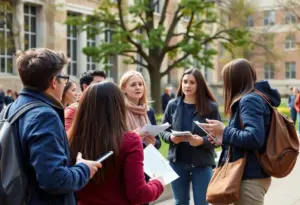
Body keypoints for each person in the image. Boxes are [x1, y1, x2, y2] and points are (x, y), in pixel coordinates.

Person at [7, 48, 102, 205]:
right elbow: (54, 179)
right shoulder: (44, 116)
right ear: (53, 82)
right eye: (64, 78)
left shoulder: (11, 109)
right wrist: (83, 169)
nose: (65, 83)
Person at [68, 82, 164, 205]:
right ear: (118, 107)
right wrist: (158, 183)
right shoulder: (130, 141)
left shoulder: (71, 139)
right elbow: (138, 194)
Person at [200, 59, 279, 205]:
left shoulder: (249, 101)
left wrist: (224, 131)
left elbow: (254, 138)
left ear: (234, 81)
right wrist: (223, 139)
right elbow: (245, 138)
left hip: (249, 177)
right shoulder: (252, 98)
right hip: (246, 175)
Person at [161, 68, 221, 205]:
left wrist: (201, 141)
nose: (187, 85)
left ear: (199, 84)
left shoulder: (211, 107)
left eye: (192, 82)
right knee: (180, 202)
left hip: (202, 163)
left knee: (202, 202)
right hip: (177, 162)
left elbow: (218, 138)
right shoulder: (172, 105)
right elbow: (163, 130)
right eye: (185, 82)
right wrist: (171, 137)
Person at [119, 71, 161, 149]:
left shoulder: (149, 111)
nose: (138, 87)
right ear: (123, 89)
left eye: (140, 84)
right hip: (128, 158)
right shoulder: (119, 111)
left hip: (148, 158)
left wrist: (154, 143)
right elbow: (114, 142)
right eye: (133, 85)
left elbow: (158, 142)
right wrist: (134, 138)